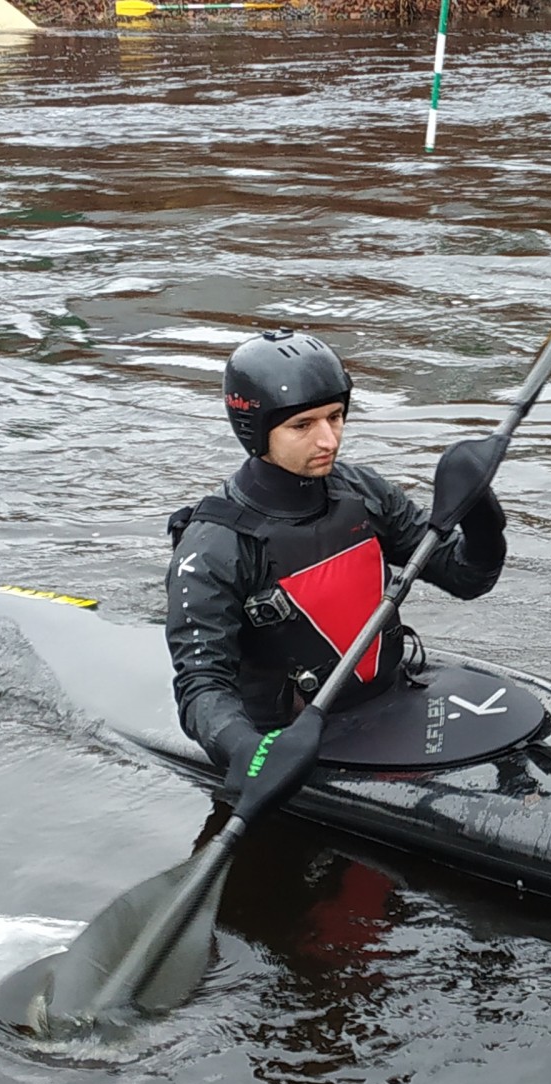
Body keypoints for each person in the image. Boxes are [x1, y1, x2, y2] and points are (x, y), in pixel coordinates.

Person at [165, 328, 507, 794]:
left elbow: (466, 576)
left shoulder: (361, 492)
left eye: (336, 416)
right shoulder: (214, 545)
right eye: (302, 426)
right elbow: (201, 684)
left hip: (386, 699)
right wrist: (248, 750)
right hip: (289, 737)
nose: (329, 439)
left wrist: (482, 515)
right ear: (256, 429)